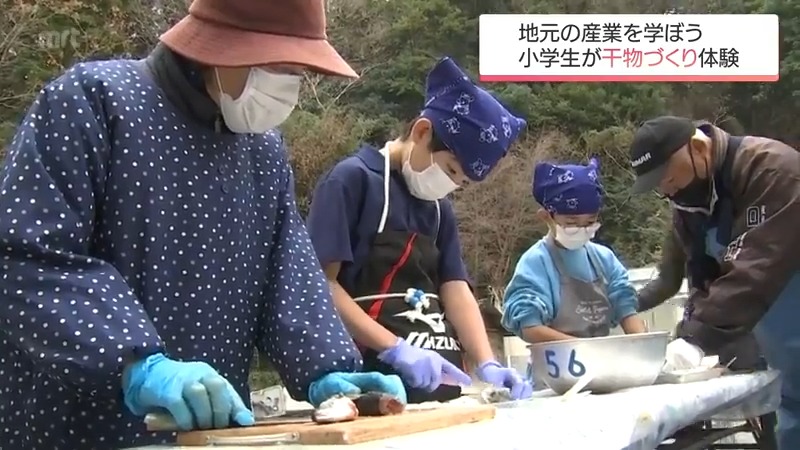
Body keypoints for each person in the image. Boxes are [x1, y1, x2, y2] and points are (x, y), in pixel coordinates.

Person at [0, 0, 405, 448]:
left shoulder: (263, 152)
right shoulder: (92, 101)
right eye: (278, 66)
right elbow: (29, 255)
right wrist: (134, 362)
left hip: (209, 434)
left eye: (297, 73)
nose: (288, 87)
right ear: (219, 46)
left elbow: (287, 274)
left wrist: (328, 369)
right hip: (73, 428)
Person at [306, 57, 532, 404]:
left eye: (462, 181)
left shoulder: (439, 208)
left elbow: (454, 287)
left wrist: (487, 361)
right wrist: (394, 347)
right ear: (422, 132)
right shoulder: (352, 181)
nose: (452, 184)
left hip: (440, 388)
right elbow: (322, 284)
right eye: (451, 169)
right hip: (370, 386)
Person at [629, 115, 800, 449]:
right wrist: (696, 336)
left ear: (697, 148)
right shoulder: (688, 204)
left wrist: (698, 338)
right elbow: (702, 279)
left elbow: (756, 270)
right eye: (660, 187)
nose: (668, 191)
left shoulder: (775, 172)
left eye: (669, 177)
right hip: (785, 359)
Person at [502, 158, 647, 346]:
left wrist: (643, 344)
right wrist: (585, 350)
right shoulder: (536, 262)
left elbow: (625, 307)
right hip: (554, 370)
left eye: (589, 223)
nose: (581, 229)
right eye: (571, 223)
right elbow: (530, 327)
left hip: (603, 365)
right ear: (546, 217)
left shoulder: (604, 259)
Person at [637, 217, 763, 371]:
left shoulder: (744, 207)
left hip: (741, 331)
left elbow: (753, 277)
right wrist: (627, 304)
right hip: (696, 328)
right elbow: (668, 281)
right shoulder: (682, 221)